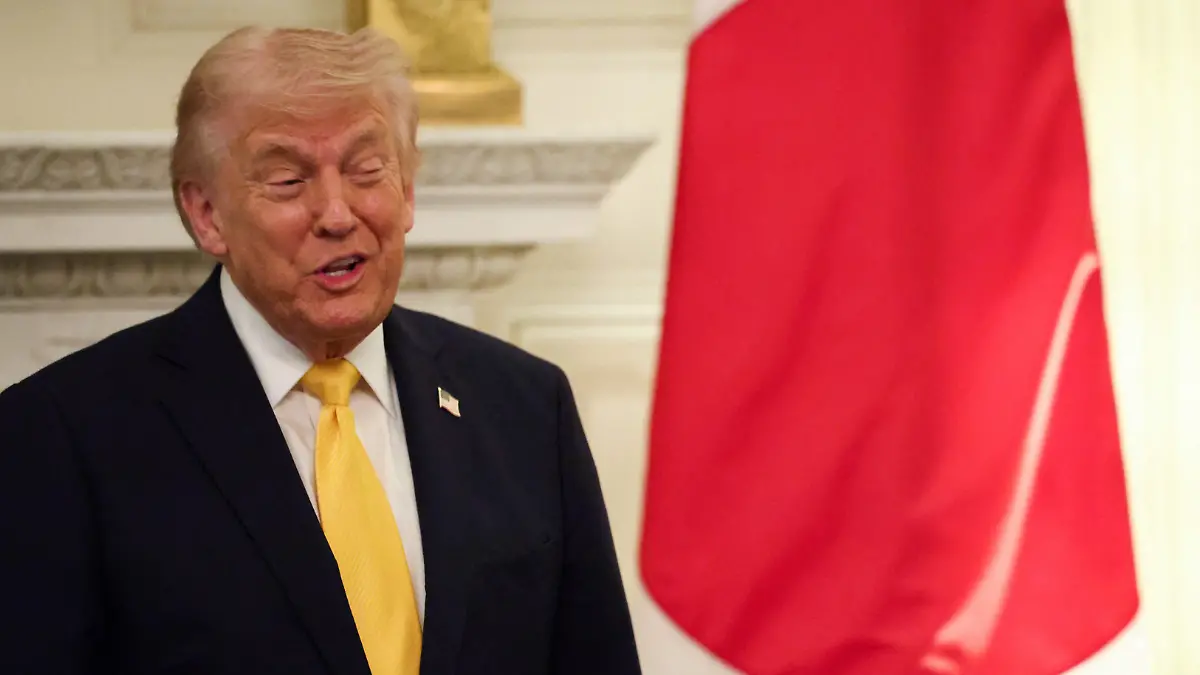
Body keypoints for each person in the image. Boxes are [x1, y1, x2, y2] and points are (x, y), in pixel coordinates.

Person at [0, 25, 641, 675]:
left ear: (409, 189)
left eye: (367, 170)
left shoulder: (526, 406)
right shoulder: (62, 433)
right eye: (286, 180)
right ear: (206, 214)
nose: (337, 213)